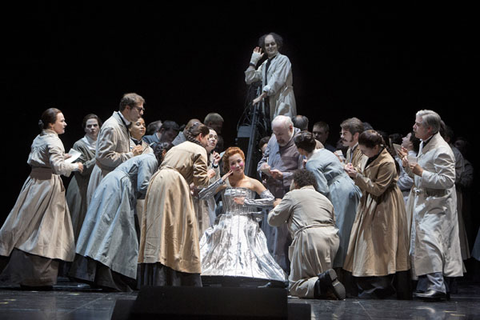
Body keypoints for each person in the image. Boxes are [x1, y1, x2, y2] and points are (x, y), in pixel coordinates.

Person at [0, 108, 83, 289]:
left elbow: (45, 159)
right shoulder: (54, 140)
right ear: (51, 124)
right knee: (46, 229)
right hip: (47, 187)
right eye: (62, 121)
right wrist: (75, 165)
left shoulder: (40, 137)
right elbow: (58, 167)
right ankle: (39, 276)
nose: (65, 123)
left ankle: (25, 273)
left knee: (26, 225)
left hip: (33, 184)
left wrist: (63, 157)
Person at [68, 143, 168, 292]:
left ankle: (101, 274)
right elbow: (143, 185)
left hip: (116, 185)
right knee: (114, 230)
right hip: (118, 187)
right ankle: (105, 275)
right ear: (164, 152)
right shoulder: (151, 159)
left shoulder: (149, 159)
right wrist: (165, 189)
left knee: (110, 229)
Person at [138, 123, 216, 287]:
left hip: (157, 180)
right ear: (200, 136)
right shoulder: (198, 149)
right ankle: (175, 276)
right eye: (207, 138)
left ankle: (154, 277)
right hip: (173, 184)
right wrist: (210, 173)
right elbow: (201, 181)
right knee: (177, 228)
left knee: (157, 227)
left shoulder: (177, 147)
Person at [198, 147, 286, 286]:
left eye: (239, 161)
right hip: (226, 220)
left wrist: (247, 201)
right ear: (228, 167)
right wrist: (220, 181)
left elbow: (270, 200)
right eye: (233, 163)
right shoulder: (225, 183)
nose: (237, 165)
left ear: (243, 161)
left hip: (246, 221)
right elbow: (203, 195)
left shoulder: (252, 182)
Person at [400, 110, 463, 301]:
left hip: (437, 204)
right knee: (426, 244)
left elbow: (447, 180)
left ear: (429, 128)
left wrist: (420, 172)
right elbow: (419, 176)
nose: (414, 127)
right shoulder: (425, 145)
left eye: (418, 124)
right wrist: (407, 167)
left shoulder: (442, 149)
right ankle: (434, 285)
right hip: (425, 202)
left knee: (432, 243)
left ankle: (438, 287)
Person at [344, 130, 410, 299]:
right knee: (367, 243)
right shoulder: (369, 154)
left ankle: (382, 286)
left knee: (382, 244)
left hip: (385, 205)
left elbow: (378, 188)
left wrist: (356, 176)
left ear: (375, 147)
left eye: (365, 150)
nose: (363, 153)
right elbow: (364, 171)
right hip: (370, 202)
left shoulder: (387, 162)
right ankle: (367, 283)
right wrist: (354, 170)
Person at [268, 169, 345, 299]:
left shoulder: (293, 195)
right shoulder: (324, 199)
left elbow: (273, 220)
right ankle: (325, 283)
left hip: (310, 237)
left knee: (295, 286)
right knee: (317, 276)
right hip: (331, 238)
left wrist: (277, 205)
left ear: (296, 183)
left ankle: (322, 283)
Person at [294, 132, 361, 276]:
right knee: (351, 229)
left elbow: (323, 189)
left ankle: (343, 272)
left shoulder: (312, 163)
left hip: (338, 192)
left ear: (300, 150)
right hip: (348, 185)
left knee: (341, 231)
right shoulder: (325, 151)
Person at [257, 115, 304, 272]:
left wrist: (283, 176)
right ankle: (272, 273)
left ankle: (286, 275)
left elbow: (304, 173)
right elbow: (262, 160)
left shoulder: (300, 142)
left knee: (285, 241)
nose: (277, 138)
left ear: (290, 129)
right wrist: (263, 169)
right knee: (271, 239)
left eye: (281, 134)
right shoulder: (272, 139)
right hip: (272, 196)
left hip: (289, 198)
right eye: (275, 134)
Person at [86, 93, 145, 204]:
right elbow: (104, 156)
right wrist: (131, 155)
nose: (141, 113)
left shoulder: (123, 124)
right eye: (139, 109)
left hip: (113, 177)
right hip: (105, 178)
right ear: (128, 108)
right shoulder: (112, 126)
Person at [245, 32, 296, 122]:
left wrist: (260, 97)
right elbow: (249, 79)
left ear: (278, 45)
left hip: (282, 103)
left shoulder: (283, 60)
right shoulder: (264, 64)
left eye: (273, 44)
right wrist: (253, 62)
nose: (270, 47)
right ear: (264, 48)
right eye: (267, 45)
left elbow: (275, 82)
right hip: (268, 106)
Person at [66, 113, 102, 241]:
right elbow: (83, 169)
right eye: (89, 126)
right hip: (82, 185)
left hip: (98, 183)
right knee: (79, 220)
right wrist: (99, 157)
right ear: (85, 128)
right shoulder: (79, 145)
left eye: (95, 125)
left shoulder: (102, 143)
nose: (92, 128)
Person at [193, 128, 222, 237]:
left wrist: (215, 165)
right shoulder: (197, 155)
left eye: (215, 137)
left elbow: (216, 182)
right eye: (210, 137)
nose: (213, 139)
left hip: (208, 199)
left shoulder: (214, 158)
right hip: (196, 198)